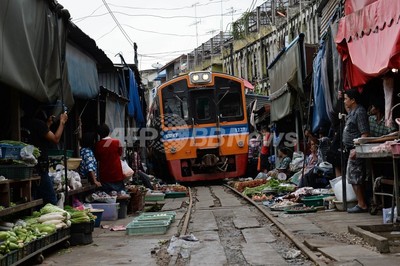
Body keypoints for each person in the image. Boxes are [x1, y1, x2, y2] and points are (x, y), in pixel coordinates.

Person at [29, 106, 68, 205]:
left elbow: (43, 135)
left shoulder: (31, 123)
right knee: (51, 198)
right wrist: (62, 122)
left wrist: (48, 124)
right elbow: (55, 139)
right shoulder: (39, 124)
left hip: (34, 167)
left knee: (38, 198)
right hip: (40, 168)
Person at [342, 88, 370, 213]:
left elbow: (364, 134)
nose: (344, 101)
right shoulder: (352, 112)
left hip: (356, 150)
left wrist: (356, 149)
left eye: (346, 99)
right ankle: (361, 203)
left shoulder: (360, 112)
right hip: (351, 149)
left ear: (353, 100)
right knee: (352, 177)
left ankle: (362, 204)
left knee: (356, 177)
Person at [95, 124, 125, 194]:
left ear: (99, 134)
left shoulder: (98, 145)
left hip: (105, 175)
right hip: (117, 173)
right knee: (120, 194)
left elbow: (98, 158)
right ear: (108, 131)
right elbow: (120, 153)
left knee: (108, 196)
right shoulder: (116, 142)